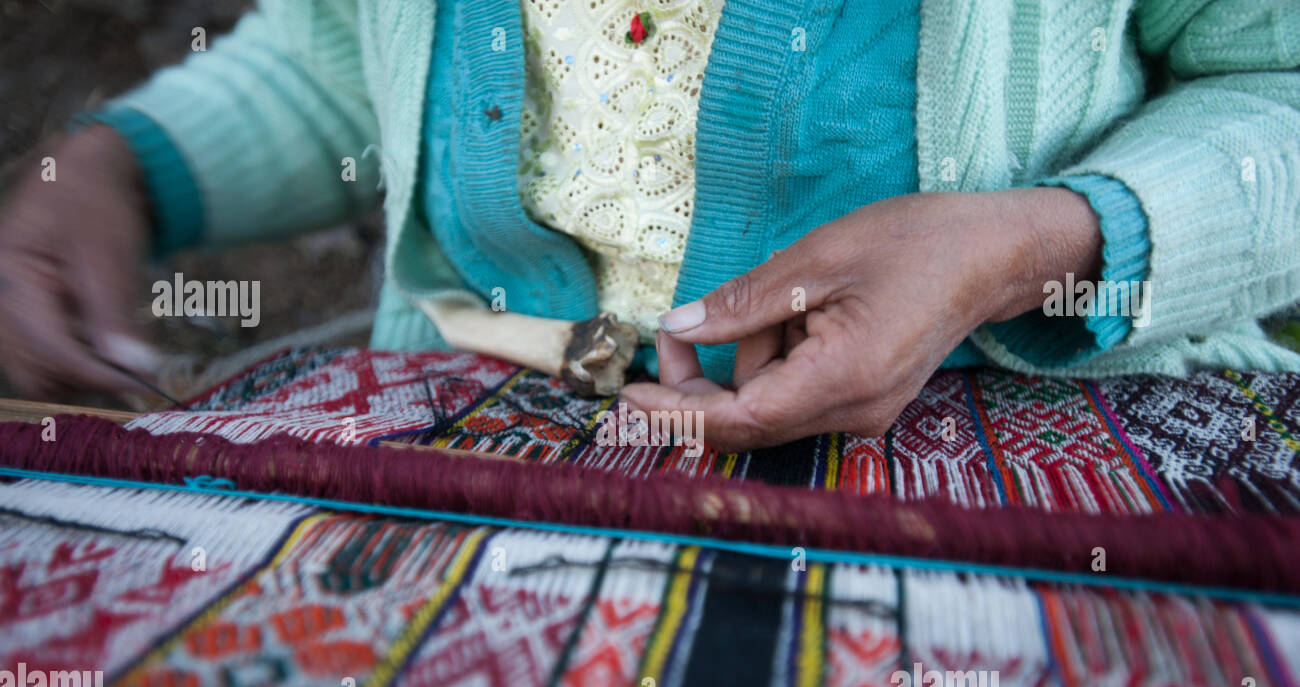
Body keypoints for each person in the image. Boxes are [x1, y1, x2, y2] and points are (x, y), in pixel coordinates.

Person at [0, 0, 1297, 450]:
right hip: (477, 440)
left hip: (1033, 449)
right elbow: (354, 54)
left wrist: (1038, 244)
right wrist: (123, 168)